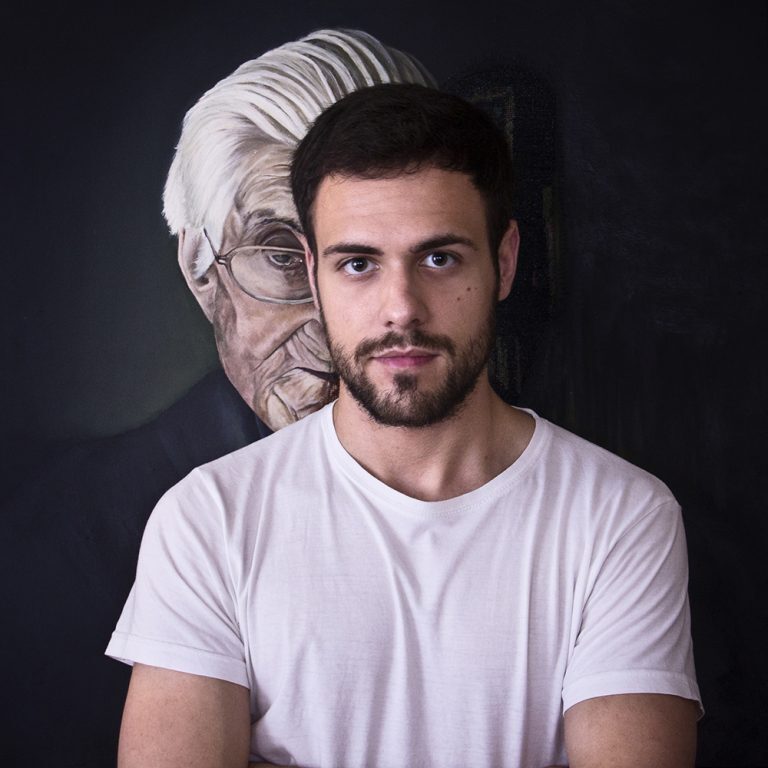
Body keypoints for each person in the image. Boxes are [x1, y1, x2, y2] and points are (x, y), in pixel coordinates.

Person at [107, 83, 702, 767]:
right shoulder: (209, 519)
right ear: (314, 275)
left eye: (439, 258)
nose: (401, 309)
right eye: (359, 264)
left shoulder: (620, 517)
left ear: (504, 261)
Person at [0, 32, 433, 768]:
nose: (349, 325)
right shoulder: (65, 549)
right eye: (282, 255)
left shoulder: (564, 508)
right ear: (201, 271)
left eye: (373, 258)